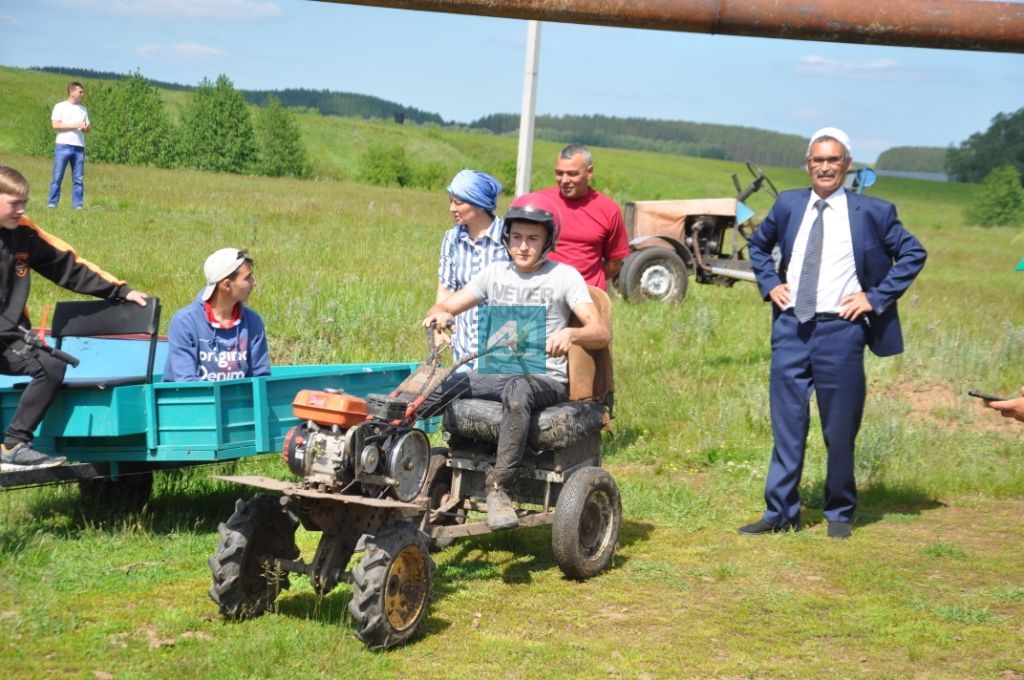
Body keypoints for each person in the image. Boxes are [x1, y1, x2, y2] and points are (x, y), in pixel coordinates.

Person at [739, 127, 927, 539]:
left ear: (847, 166)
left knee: (839, 428)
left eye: (834, 160)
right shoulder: (788, 205)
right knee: (786, 424)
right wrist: (769, 282)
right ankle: (780, 513)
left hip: (841, 332)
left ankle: (839, 511)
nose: (825, 167)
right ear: (808, 166)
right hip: (791, 328)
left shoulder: (872, 212)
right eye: (818, 160)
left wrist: (875, 299)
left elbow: (914, 253)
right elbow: (757, 246)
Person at [421, 192, 610, 530]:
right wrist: (439, 317)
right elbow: (445, 305)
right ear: (507, 238)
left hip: (544, 380)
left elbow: (600, 331)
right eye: (517, 237)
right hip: (497, 373)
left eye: (533, 238)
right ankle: (387, 444)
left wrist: (572, 335)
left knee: (518, 388)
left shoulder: (564, 277)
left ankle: (499, 489)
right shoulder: (494, 274)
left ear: (547, 241)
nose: (523, 246)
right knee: (448, 382)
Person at [0, 166, 149, 471]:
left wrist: (120, 291)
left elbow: (67, 265)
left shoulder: (25, 233)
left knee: (50, 365)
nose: (22, 209)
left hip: (7, 337)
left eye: (24, 202)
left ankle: (14, 445)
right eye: (14, 203)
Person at [436, 169, 509, 369]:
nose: (452, 208)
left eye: (459, 203)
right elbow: (446, 288)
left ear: (479, 205)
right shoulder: (451, 238)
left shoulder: (509, 237)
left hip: (502, 346)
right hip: (463, 342)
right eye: (451, 201)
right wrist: (438, 326)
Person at [163, 248, 270, 382]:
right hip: (189, 401)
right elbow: (187, 383)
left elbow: (260, 378)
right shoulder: (185, 322)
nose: (253, 282)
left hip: (236, 402)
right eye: (247, 278)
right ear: (226, 285)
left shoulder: (253, 321)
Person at [539, 144, 630, 290]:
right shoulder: (540, 202)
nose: (564, 180)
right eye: (559, 173)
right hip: (542, 293)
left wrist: (588, 284)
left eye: (572, 174)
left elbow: (615, 262)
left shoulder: (608, 209)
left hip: (588, 297)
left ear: (589, 172)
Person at [48, 81, 91, 210]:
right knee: (57, 176)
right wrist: (75, 125)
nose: (83, 94)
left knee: (78, 179)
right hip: (63, 146)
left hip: (79, 147)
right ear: (72, 92)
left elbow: (88, 129)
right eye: (80, 91)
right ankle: (52, 203)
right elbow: (55, 125)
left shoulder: (84, 109)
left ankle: (78, 205)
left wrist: (85, 128)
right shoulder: (60, 106)